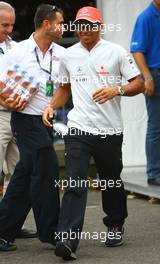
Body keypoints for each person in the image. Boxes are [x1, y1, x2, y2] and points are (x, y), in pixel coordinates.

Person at [43, 6, 145, 261]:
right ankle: (67, 238)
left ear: (99, 27)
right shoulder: (68, 55)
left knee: (111, 181)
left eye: (89, 25)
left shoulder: (116, 52)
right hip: (79, 129)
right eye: (79, 25)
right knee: (75, 182)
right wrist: (51, 106)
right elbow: (65, 89)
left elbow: (139, 83)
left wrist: (117, 90)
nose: (84, 30)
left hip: (110, 130)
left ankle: (114, 224)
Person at [0, 4, 65, 251]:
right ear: (46, 24)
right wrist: (5, 100)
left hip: (45, 120)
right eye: (60, 22)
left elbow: (63, 87)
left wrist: (54, 105)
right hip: (24, 120)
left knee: (24, 177)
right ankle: (52, 232)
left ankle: (3, 230)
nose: (64, 27)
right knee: (47, 168)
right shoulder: (18, 52)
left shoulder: (61, 53)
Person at [0, 1, 37, 240]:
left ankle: (10, 224)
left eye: (11, 25)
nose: (9, 30)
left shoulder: (15, 47)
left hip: (18, 116)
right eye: (4, 25)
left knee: (20, 171)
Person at [130, 0, 160, 186]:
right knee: (156, 127)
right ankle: (154, 173)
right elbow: (137, 50)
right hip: (156, 76)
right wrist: (147, 77)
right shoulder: (146, 18)